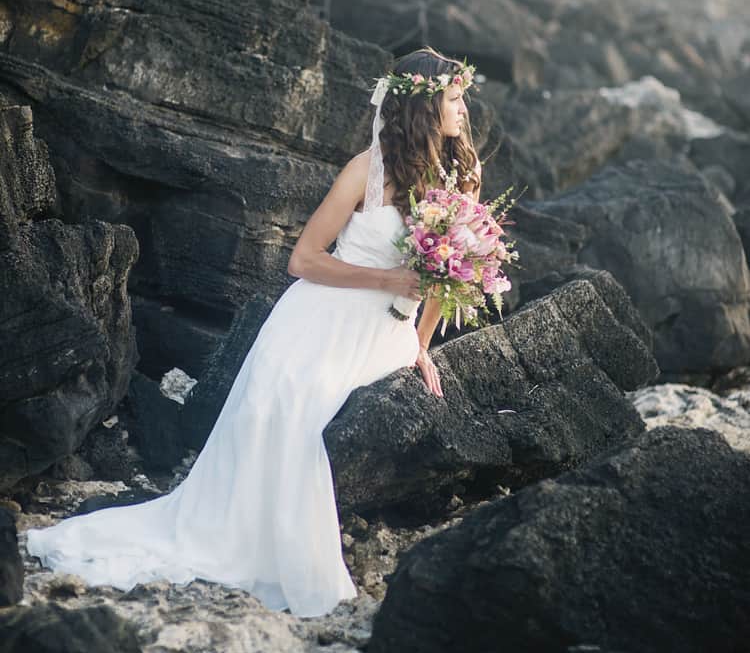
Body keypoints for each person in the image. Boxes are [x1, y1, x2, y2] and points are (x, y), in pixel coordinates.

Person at [25, 46, 483, 617]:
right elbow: (303, 260)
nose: (463, 108)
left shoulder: (463, 175)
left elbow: (451, 272)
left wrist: (420, 344)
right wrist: (387, 277)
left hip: (383, 332)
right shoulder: (366, 171)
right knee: (285, 405)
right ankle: (251, 545)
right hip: (319, 313)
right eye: (455, 97)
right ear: (423, 103)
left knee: (298, 410)